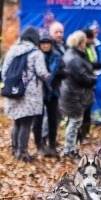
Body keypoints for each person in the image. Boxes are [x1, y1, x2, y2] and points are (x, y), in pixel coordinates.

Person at [0, 27, 49, 162]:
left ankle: (15, 150)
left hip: (13, 92)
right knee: (26, 124)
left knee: (17, 122)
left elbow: (3, 73)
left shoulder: (12, 50)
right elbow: (41, 72)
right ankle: (22, 153)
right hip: (30, 95)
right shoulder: (36, 53)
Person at [59, 30, 97, 161]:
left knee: (74, 122)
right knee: (75, 122)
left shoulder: (71, 54)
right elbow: (82, 77)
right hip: (73, 94)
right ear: (81, 42)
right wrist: (93, 78)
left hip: (71, 92)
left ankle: (70, 148)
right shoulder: (74, 58)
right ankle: (69, 149)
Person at [35, 30, 64, 158]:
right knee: (38, 120)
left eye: (48, 43)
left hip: (53, 92)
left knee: (53, 119)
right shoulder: (36, 56)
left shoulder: (57, 56)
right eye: (43, 43)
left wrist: (58, 75)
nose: (46, 45)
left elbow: (65, 71)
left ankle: (52, 144)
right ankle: (40, 144)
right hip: (39, 92)